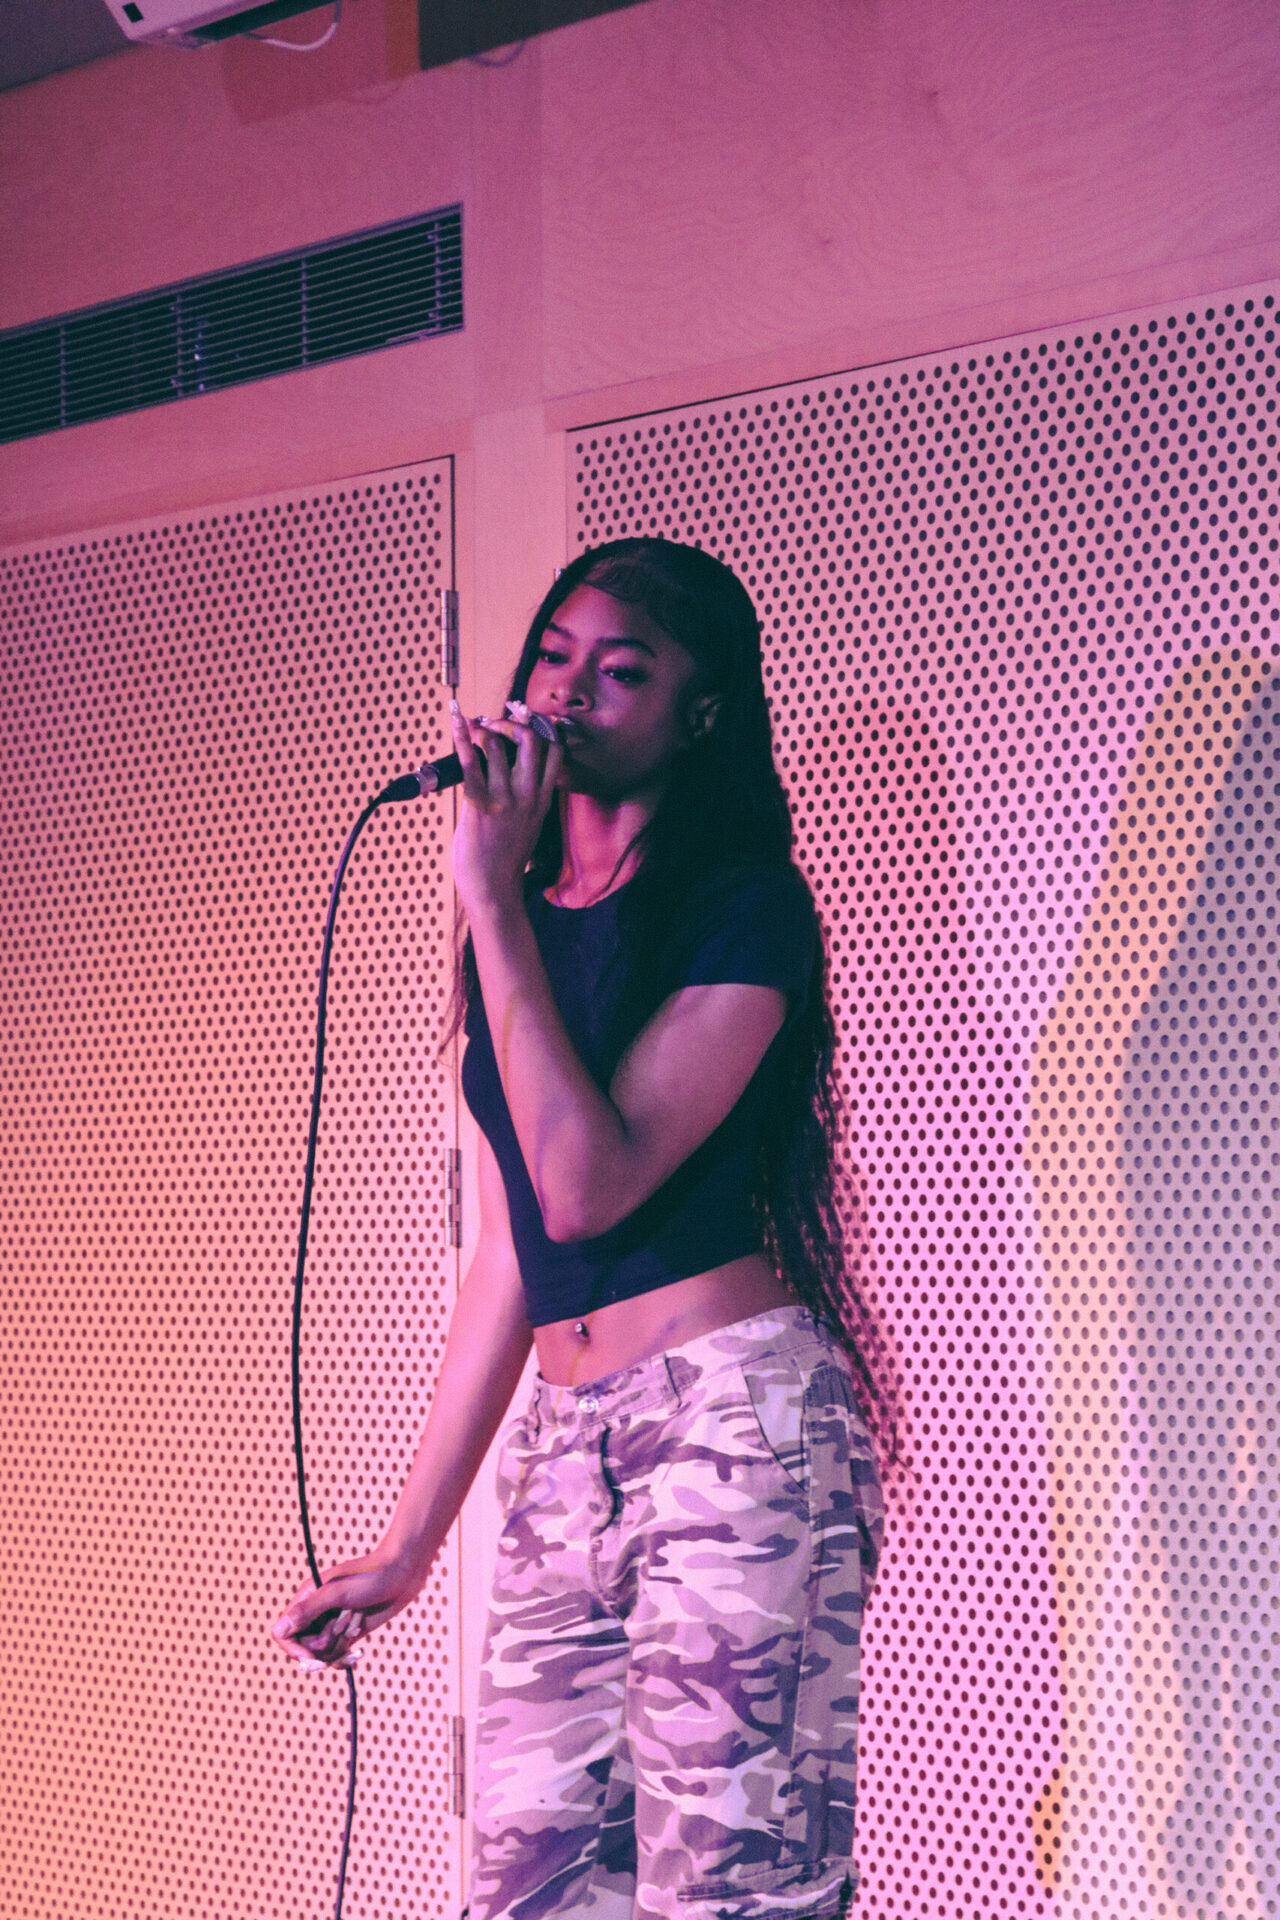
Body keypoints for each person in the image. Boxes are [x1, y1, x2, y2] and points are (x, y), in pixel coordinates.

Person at [273, 538, 895, 1920]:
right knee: (530, 1886)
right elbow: (515, 1248)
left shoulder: (743, 908)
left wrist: (489, 894)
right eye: (553, 656)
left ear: (701, 713)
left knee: (727, 1889)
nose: (565, 693)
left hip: (732, 1427)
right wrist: (411, 1543)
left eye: (621, 673)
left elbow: (589, 1190)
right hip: (567, 1448)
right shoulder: (529, 923)